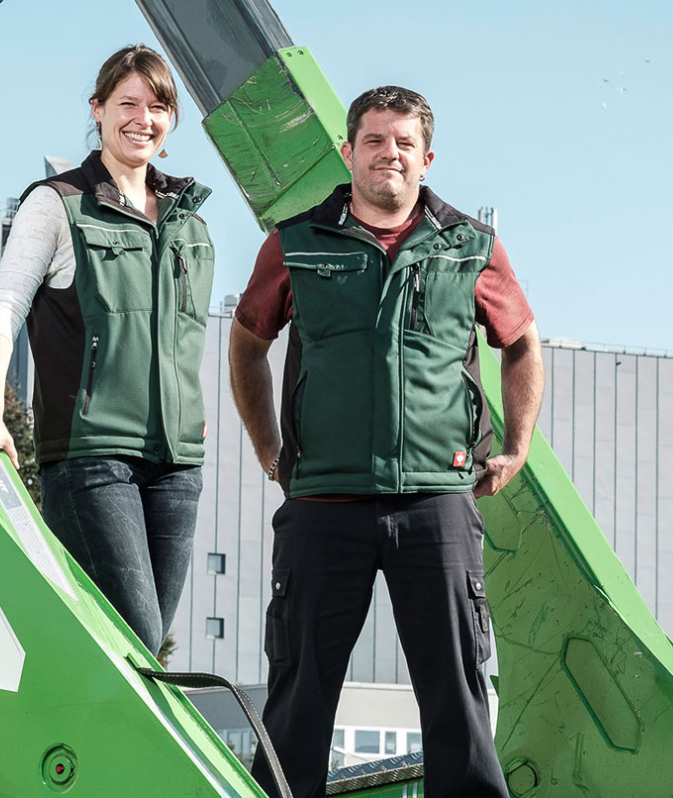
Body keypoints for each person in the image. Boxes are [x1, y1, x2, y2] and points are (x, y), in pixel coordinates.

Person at [228, 85, 544, 798]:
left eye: (404, 143)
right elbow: (246, 343)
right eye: (374, 140)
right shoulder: (296, 242)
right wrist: (268, 446)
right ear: (349, 152)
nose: (388, 154)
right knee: (298, 696)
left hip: (436, 502)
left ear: (426, 158)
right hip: (323, 505)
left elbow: (521, 343)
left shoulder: (471, 246)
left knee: (458, 701)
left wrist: (517, 444)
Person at [0, 45, 215, 657]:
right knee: (134, 634)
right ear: (96, 110)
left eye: (157, 106)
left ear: (170, 121)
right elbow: (4, 306)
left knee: (140, 654)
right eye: (127, 103)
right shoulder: (58, 203)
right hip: (91, 459)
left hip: (177, 467)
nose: (142, 118)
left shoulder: (189, 222)